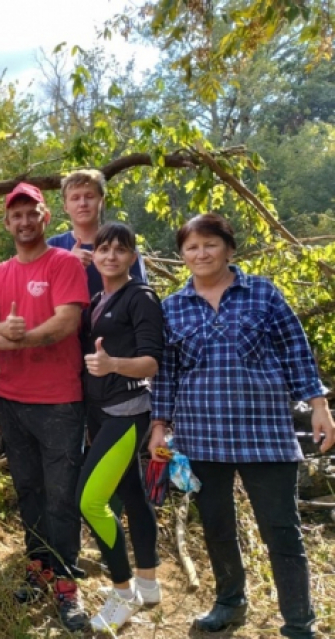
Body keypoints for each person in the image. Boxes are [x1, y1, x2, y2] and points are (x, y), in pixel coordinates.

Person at [150, 213, 335, 638]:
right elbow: (167, 373)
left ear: (229, 249)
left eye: (209, 244)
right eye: (191, 247)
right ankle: (230, 603)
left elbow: (296, 352)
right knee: (216, 526)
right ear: (182, 256)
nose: (201, 253)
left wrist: (319, 405)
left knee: (281, 530)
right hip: (201, 435)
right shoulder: (173, 306)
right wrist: (159, 425)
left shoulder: (263, 293)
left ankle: (299, 622)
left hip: (264, 432)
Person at [0, 183, 90, 632]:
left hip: (60, 399)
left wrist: (17, 337)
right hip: (12, 398)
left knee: (62, 494)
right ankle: (38, 564)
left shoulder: (64, 263)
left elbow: (66, 323)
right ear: (7, 223)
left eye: (31, 213)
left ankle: (66, 581)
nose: (23, 222)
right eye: (15, 216)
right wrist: (5, 329)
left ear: (46, 218)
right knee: (28, 489)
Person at [76, 223, 164, 632]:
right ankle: (148, 583)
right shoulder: (98, 298)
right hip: (102, 410)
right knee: (131, 492)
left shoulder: (140, 297)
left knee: (90, 501)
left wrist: (112, 365)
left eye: (120, 249)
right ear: (94, 256)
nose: (110, 256)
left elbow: (151, 362)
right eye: (103, 249)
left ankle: (122, 592)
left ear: (133, 257)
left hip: (127, 412)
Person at [47, 169, 147, 296]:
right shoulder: (52, 247)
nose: (82, 203)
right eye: (75, 198)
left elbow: (141, 294)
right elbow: (40, 297)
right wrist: (67, 265)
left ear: (102, 201)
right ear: (65, 206)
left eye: (89, 197)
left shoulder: (123, 245)